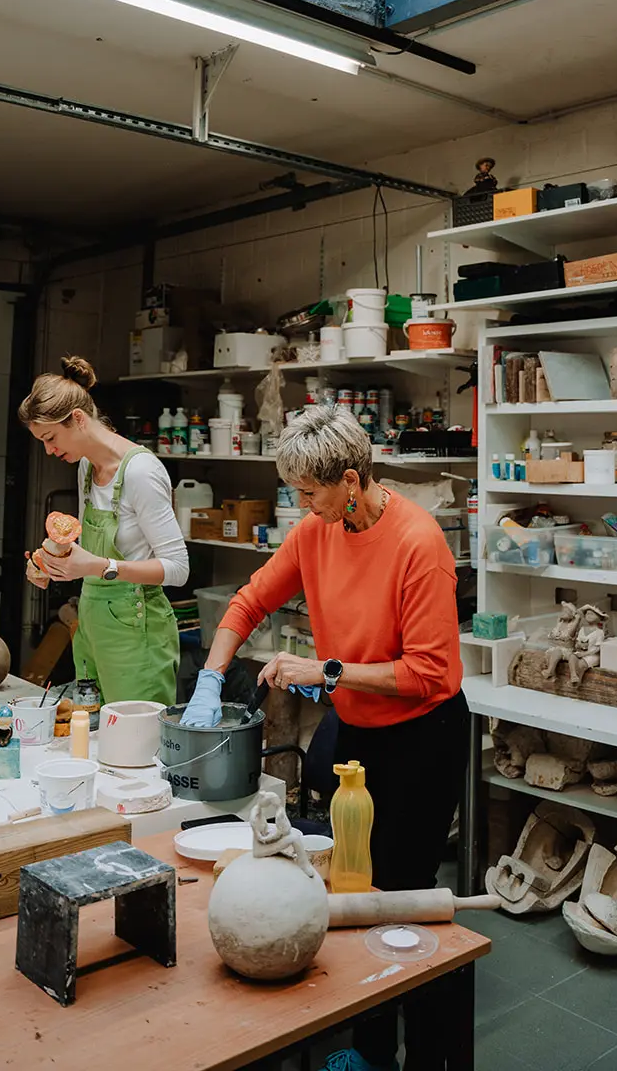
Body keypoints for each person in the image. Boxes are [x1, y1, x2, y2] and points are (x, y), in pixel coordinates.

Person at [183, 403, 467, 1071]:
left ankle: (412, 1051)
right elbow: (250, 600)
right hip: (358, 726)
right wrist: (210, 675)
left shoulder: (417, 542)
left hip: (423, 734)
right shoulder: (316, 531)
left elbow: (430, 674)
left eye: (307, 492)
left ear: (348, 479)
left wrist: (328, 670)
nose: (299, 505)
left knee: (399, 894)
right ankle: (364, 1038)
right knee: (345, 879)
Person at [18, 356, 188, 707]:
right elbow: (87, 553)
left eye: (50, 438)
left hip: (136, 633)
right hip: (92, 627)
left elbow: (178, 568)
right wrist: (53, 562)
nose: (48, 451)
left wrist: (100, 567)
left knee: (135, 749)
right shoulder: (85, 467)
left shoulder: (141, 472)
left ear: (78, 419)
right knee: (93, 741)